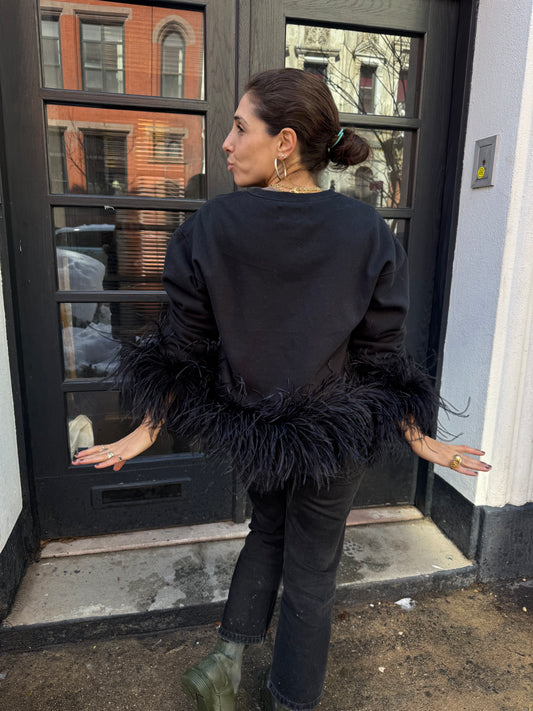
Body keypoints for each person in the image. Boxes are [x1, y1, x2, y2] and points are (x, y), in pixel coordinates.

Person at [73, 68, 491, 711]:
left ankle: (226, 661)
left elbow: (183, 350)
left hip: (256, 430)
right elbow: (382, 357)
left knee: (267, 529)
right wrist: (417, 435)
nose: (226, 143)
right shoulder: (369, 233)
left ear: (285, 142)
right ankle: (289, 701)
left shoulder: (209, 227)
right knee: (312, 569)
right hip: (334, 436)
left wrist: (146, 430)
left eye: (240, 128)